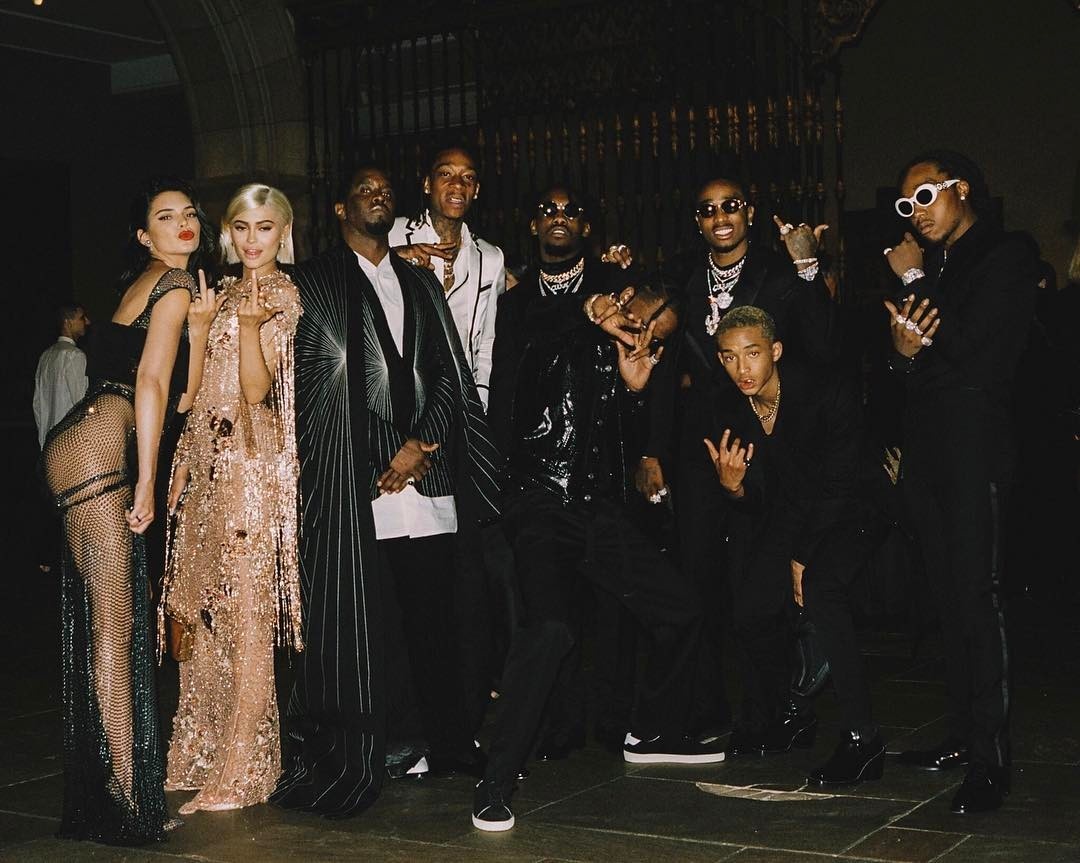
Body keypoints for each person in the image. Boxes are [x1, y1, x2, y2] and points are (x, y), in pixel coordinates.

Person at [272, 166, 500, 818]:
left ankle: (449, 741)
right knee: (375, 623)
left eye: (385, 189)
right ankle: (388, 742)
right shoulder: (314, 282)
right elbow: (317, 384)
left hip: (426, 477)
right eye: (364, 189)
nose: (378, 194)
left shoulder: (419, 280)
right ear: (340, 207)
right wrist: (388, 449)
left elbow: (449, 371)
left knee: (437, 618)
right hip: (357, 482)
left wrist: (423, 444)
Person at [475, 246, 725, 830]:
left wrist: (635, 391)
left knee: (681, 608)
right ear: (627, 295)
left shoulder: (634, 358)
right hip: (539, 502)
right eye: (643, 320)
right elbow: (529, 335)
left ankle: (650, 732)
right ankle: (495, 781)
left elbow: (625, 444)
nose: (644, 335)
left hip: (596, 513)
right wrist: (589, 313)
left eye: (658, 336)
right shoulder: (559, 319)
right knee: (551, 629)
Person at [41, 177, 219, 844]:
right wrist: (147, 482)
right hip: (99, 454)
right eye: (165, 217)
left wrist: (200, 330)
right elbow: (148, 383)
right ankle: (123, 794)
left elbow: (181, 400)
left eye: (189, 213)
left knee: (114, 621)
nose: (183, 223)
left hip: (86, 447)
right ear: (144, 235)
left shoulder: (166, 288)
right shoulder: (170, 284)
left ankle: (115, 788)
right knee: (116, 628)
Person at [640, 176, 839, 740]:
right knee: (697, 579)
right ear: (696, 221)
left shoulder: (778, 272)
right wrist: (653, 449)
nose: (720, 217)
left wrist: (809, 268)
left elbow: (823, 346)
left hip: (762, 442)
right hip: (698, 447)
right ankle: (707, 710)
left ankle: (773, 711)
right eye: (707, 210)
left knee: (756, 582)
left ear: (748, 211)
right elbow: (661, 364)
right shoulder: (682, 275)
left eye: (730, 206)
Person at [883, 150, 1037, 814]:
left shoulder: (1007, 253)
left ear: (961, 189)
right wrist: (901, 357)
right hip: (929, 457)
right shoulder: (939, 268)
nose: (915, 212)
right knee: (944, 600)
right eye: (906, 204)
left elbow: (974, 348)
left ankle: (991, 759)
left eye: (925, 195)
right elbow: (915, 364)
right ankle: (960, 735)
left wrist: (913, 277)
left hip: (977, 455)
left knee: (978, 597)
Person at [160, 184, 303, 814]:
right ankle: (200, 750)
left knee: (247, 615)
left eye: (264, 228)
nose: (251, 240)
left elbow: (256, 392)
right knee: (201, 611)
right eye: (242, 227)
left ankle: (246, 766)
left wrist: (247, 328)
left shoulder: (283, 295)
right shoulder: (216, 292)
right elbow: (191, 396)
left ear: (283, 233)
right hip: (207, 463)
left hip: (252, 469)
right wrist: (199, 328)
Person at [705, 306, 885, 786]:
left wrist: (802, 558)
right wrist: (734, 489)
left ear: (776, 351)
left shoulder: (824, 389)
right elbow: (761, 494)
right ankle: (792, 712)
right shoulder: (729, 407)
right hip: (793, 513)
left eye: (752, 354)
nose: (742, 368)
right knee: (750, 608)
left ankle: (863, 740)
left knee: (823, 589)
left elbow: (841, 482)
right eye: (729, 357)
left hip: (853, 507)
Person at [388, 143, 509, 754]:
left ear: (477, 190)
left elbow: (483, 341)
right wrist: (396, 261)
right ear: (426, 184)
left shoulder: (490, 257)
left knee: (468, 569)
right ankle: (410, 719)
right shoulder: (391, 237)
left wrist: (475, 411)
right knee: (412, 568)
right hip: (405, 415)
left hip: (462, 416)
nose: (456, 185)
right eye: (445, 175)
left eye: (467, 177)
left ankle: (461, 712)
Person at [33, 304, 90, 449]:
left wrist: (43, 441)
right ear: (67, 322)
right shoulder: (74, 355)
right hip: (70, 443)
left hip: (48, 442)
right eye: (82, 318)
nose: (87, 322)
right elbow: (81, 403)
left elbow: (37, 405)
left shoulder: (46, 356)